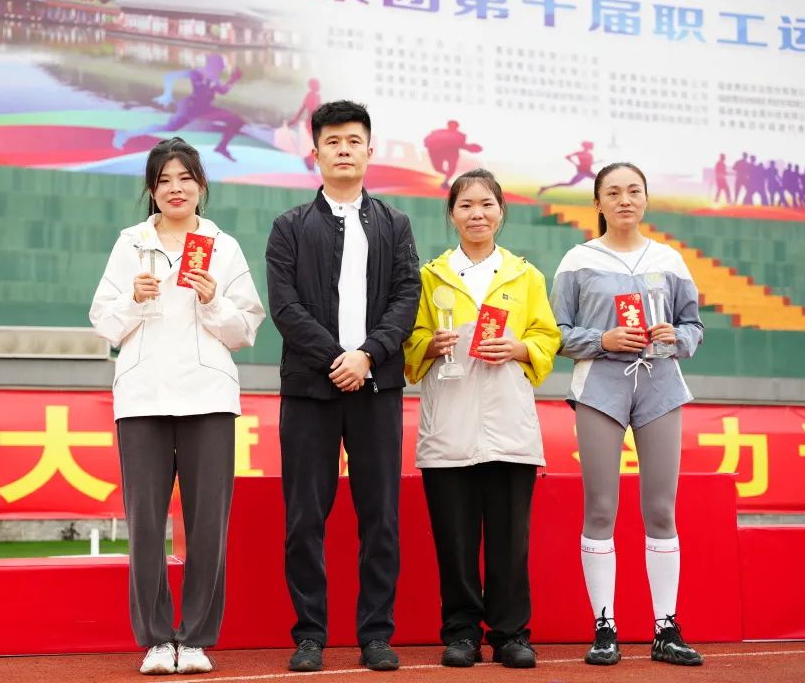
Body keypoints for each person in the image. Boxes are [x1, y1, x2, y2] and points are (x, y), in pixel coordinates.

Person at [89, 137, 265, 675]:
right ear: (151, 189)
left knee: (207, 523)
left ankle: (196, 639)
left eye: (185, 178)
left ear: (201, 186)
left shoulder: (222, 247)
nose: (175, 189)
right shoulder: (130, 243)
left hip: (207, 396)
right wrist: (133, 299)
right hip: (142, 396)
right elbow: (104, 321)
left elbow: (246, 329)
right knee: (145, 523)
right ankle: (155, 640)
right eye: (164, 180)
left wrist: (213, 298)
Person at [266, 100, 421, 672]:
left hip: (377, 388)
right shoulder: (289, 226)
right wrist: (338, 359)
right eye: (332, 142)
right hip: (310, 390)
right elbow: (285, 307)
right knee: (305, 519)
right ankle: (310, 635)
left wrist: (368, 356)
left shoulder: (394, 224)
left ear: (369, 151)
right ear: (316, 154)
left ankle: (375, 635)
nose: (344, 150)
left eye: (354, 141)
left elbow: (407, 297)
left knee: (380, 517)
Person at [403, 169, 560, 669]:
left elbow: (547, 337)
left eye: (487, 204)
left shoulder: (525, 275)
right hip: (449, 425)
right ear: (451, 214)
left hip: (508, 424)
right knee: (455, 541)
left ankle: (511, 634)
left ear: (501, 212)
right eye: (466, 205)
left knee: (510, 540)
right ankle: (462, 633)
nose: (477, 214)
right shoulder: (430, 276)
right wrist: (430, 344)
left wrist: (519, 347)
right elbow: (409, 340)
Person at [549, 162, 705, 668]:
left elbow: (693, 326)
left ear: (646, 199)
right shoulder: (578, 259)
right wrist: (604, 339)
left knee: (660, 508)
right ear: (597, 203)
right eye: (613, 193)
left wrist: (675, 337)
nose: (624, 201)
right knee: (601, 508)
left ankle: (666, 627)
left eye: (633, 191)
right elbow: (556, 333)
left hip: (660, 385)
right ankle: (605, 626)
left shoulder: (669, 259)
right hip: (600, 387)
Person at [113, 54, 246, 161]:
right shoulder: (197, 73)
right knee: (169, 127)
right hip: (191, 109)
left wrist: (233, 80)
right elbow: (170, 76)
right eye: (220, 66)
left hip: (206, 109)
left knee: (237, 121)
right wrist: (167, 94)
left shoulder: (214, 77)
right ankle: (126, 134)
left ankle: (222, 147)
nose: (221, 69)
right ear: (213, 65)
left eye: (222, 67)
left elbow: (222, 90)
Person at [423, 120, 483, 189]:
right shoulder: (438, 132)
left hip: (452, 153)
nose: (452, 127)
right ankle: (447, 174)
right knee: (438, 168)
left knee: (452, 167)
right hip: (438, 153)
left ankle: (446, 182)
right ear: (448, 125)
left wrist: (470, 147)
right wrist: (430, 146)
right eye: (451, 125)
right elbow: (427, 140)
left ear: (457, 127)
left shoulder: (461, 135)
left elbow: (461, 145)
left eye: (454, 126)